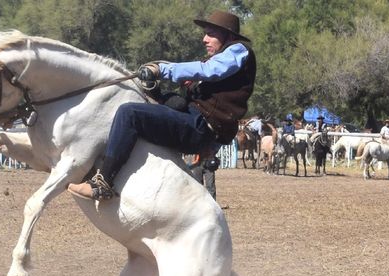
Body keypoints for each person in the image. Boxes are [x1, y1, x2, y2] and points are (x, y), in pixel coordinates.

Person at [67, 10, 256, 200]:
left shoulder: (239, 50)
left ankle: (103, 183)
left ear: (229, 36)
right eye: (205, 33)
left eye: (211, 34)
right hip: (197, 122)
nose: (204, 39)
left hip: (202, 127)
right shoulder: (218, 60)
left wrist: (163, 69)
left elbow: (210, 71)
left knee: (129, 113)